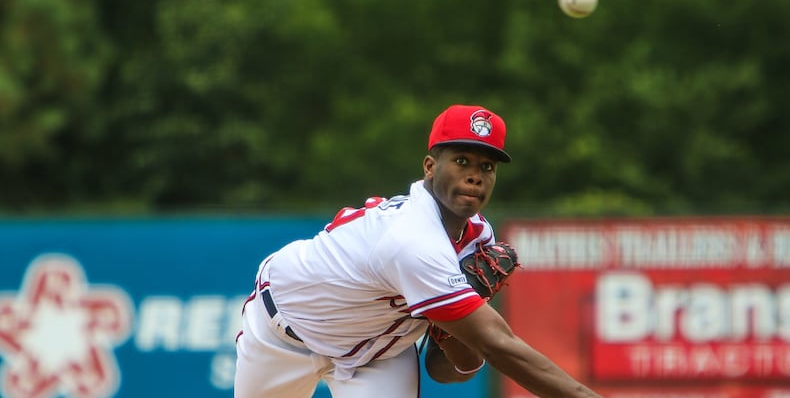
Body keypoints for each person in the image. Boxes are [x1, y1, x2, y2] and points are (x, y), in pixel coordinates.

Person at [234, 104, 602, 398]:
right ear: (430, 167)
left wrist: (457, 332)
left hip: (375, 354)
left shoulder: (477, 239)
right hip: (284, 333)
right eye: (461, 161)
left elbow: (448, 371)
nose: (475, 175)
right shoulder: (413, 240)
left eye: (486, 167)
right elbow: (499, 346)